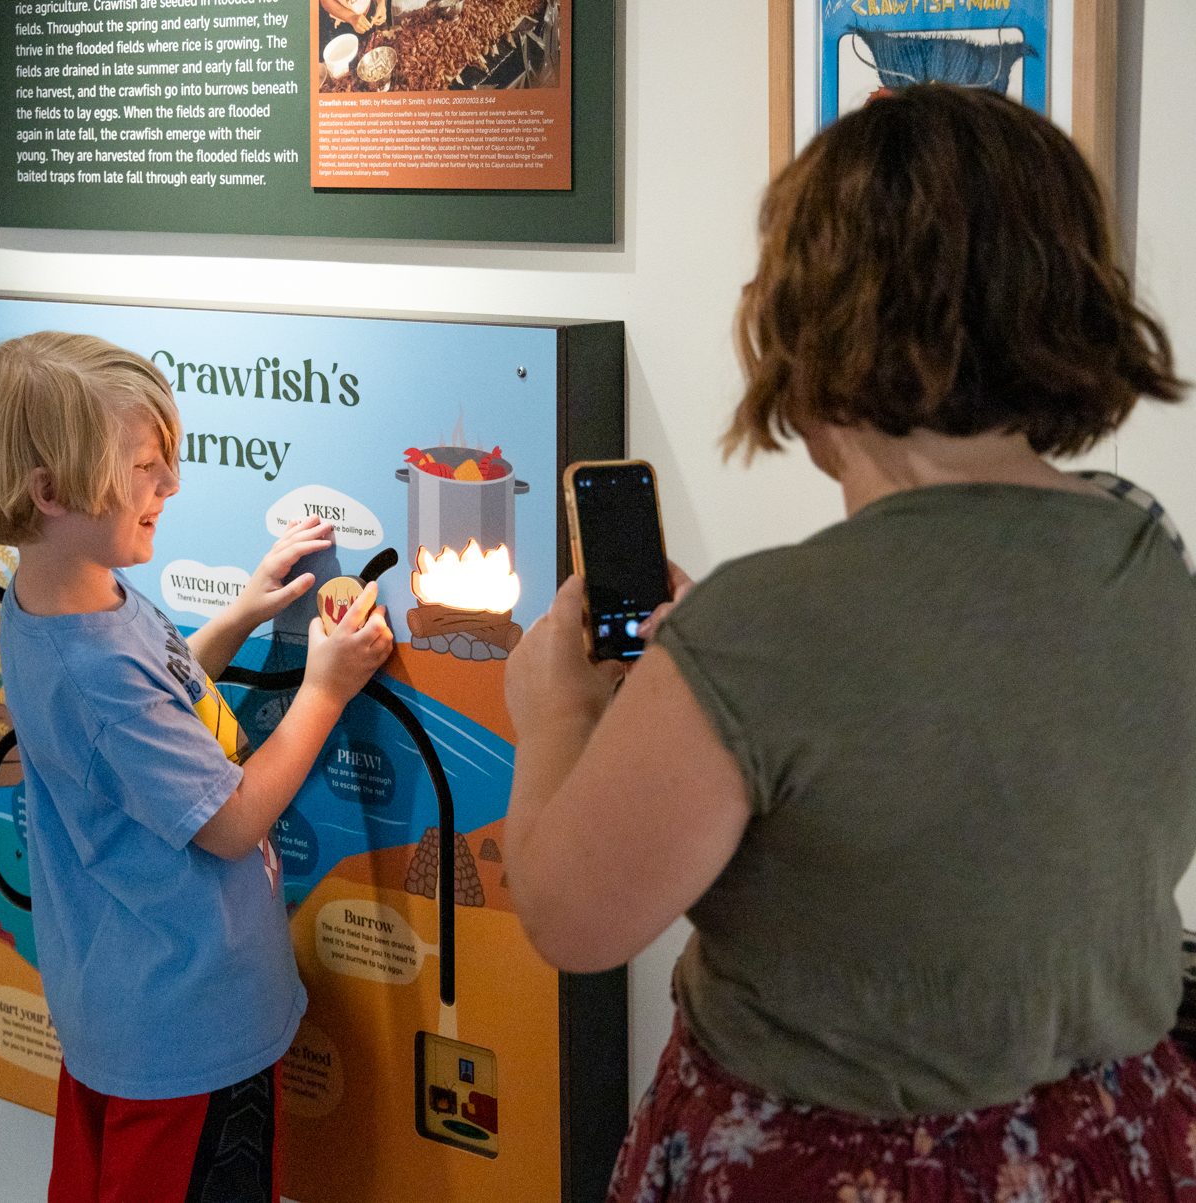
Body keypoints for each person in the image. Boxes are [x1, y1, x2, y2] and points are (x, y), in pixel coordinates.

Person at [503, 85, 1196, 1201]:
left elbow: (573, 919)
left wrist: (559, 716)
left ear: (807, 321)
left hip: (828, 1164)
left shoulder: (759, 630)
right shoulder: (1145, 552)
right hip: (1110, 1145)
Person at [0, 332, 393, 1203]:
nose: (171, 485)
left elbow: (161, 695)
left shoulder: (66, 600)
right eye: (147, 466)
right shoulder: (94, 667)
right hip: (187, 1036)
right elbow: (230, 821)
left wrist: (242, 611)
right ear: (51, 490)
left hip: (125, 1011)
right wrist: (326, 688)